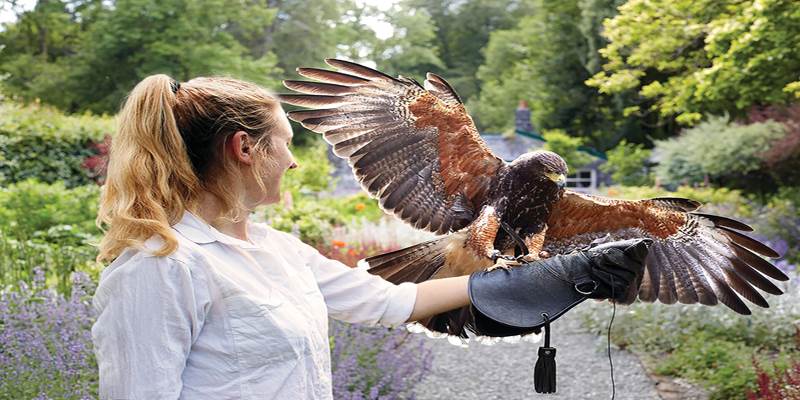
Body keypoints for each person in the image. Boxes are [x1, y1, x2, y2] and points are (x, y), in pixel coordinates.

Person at [91, 74, 649, 399]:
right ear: (244, 149)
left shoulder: (277, 251)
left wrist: (556, 273)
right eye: (285, 143)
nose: (293, 161)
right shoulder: (158, 268)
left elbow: (390, 301)